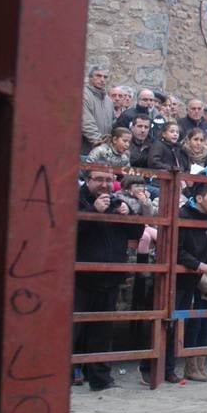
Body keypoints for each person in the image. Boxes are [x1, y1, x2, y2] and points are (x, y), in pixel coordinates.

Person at [74, 169, 140, 391]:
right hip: (78, 278)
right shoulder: (75, 199)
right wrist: (92, 212)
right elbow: (66, 230)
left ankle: (100, 379)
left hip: (110, 277)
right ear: (88, 180)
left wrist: (127, 214)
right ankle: (65, 377)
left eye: (109, 180)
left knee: (102, 331)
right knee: (72, 331)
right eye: (99, 179)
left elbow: (136, 233)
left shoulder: (118, 201)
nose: (104, 185)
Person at [172, 183, 207, 384]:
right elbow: (177, 250)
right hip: (176, 279)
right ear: (199, 198)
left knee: (183, 322)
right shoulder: (183, 215)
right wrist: (202, 266)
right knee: (169, 322)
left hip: (192, 278)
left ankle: (174, 369)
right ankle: (156, 368)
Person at [81, 64, 114, 155]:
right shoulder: (83, 95)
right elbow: (86, 123)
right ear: (90, 78)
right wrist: (99, 142)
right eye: (98, 76)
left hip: (102, 150)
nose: (102, 79)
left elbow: (110, 125)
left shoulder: (108, 101)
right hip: (86, 148)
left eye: (105, 77)